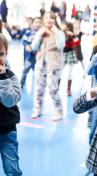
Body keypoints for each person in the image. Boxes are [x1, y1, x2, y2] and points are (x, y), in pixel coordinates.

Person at [31, 12, 65, 121]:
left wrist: (56, 32)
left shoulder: (59, 32)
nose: (49, 20)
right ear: (43, 20)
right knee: (38, 89)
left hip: (53, 65)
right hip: (40, 64)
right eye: (46, 18)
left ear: (55, 20)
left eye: (52, 18)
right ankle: (37, 109)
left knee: (52, 89)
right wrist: (40, 34)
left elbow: (61, 46)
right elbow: (34, 47)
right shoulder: (41, 32)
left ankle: (59, 110)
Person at [0, 33, 22, 175]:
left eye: (1, 54)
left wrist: (2, 78)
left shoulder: (10, 76)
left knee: (11, 168)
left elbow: (9, 101)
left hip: (7, 130)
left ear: (6, 54)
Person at [20, 17, 42, 89]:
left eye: (39, 22)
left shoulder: (42, 34)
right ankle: (21, 85)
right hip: (29, 57)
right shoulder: (28, 32)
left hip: (39, 57)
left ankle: (39, 86)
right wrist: (26, 45)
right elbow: (24, 41)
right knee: (25, 70)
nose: (38, 24)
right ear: (32, 24)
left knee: (39, 72)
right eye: (36, 22)